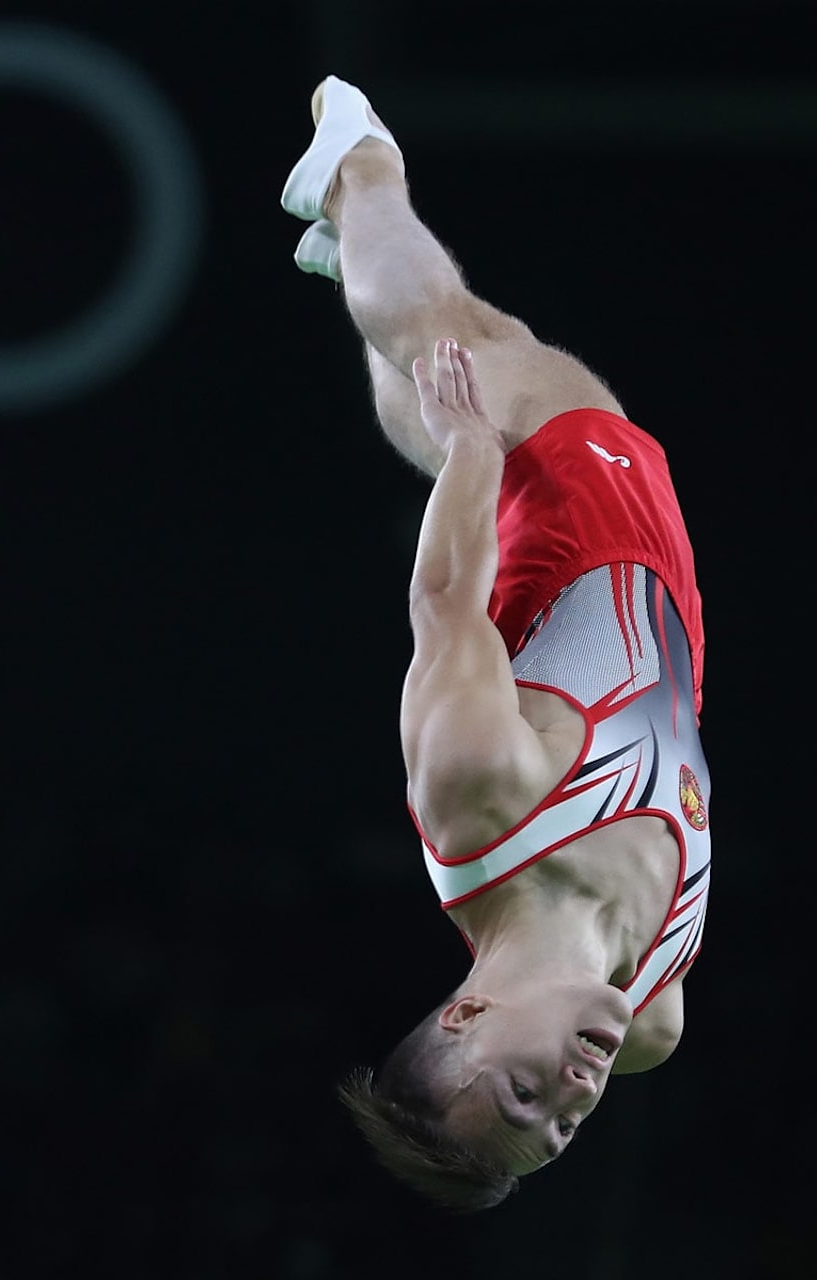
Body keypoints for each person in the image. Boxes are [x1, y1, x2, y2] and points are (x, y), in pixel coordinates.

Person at [280, 76, 713, 1212]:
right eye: (562, 1126)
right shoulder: (652, 1018)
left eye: (521, 1095)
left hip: (574, 529)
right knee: (476, 350)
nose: (568, 1093)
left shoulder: (479, 798)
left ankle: (356, 165)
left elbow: (445, 606)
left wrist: (472, 451)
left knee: (451, 336)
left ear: (464, 1013)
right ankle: (348, 251)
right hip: (663, 588)